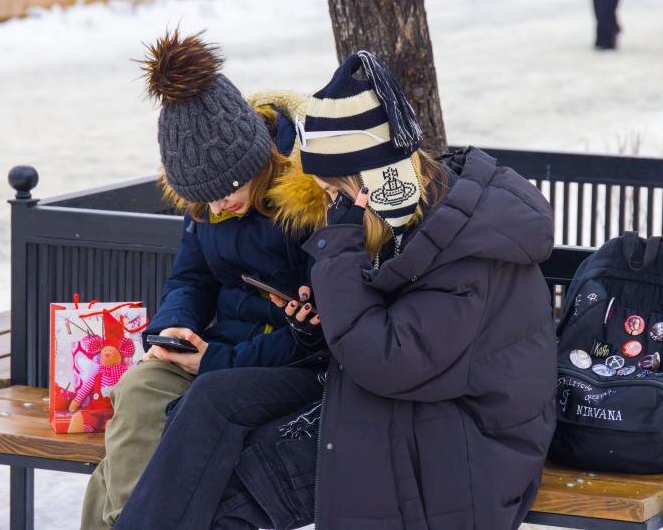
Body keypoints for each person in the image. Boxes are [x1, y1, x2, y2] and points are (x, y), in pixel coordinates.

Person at [115, 50, 557, 530]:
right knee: (206, 420)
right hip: (386, 396)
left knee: (231, 497)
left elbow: (384, 357)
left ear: (366, 182)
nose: (329, 208)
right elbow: (365, 335)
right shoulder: (401, 215)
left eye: (334, 195)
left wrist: (337, 247)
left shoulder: (458, 243)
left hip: (458, 432)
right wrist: (308, 326)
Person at [80, 31, 316, 530]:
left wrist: (217, 360)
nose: (215, 208)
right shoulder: (208, 207)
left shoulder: (306, 205)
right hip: (215, 354)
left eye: (225, 193)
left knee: (123, 462)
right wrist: (170, 333)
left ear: (254, 159)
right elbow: (190, 278)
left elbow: (316, 334)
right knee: (139, 387)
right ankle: (130, 520)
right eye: (202, 199)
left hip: (283, 365)